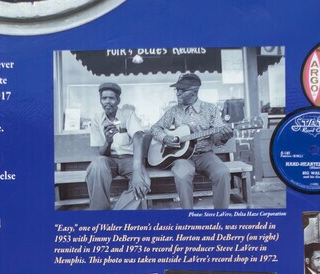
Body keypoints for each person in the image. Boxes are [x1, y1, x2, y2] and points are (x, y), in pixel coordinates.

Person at [148, 72, 235, 210]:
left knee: (222, 172)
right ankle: (188, 216)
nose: (177, 93)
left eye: (181, 90)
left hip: (205, 155)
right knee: (182, 174)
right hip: (181, 158)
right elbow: (155, 128)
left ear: (194, 91)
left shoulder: (211, 109)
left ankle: (221, 215)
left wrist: (224, 137)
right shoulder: (174, 111)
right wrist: (165, 138)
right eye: (177, 90)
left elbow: (216, 140)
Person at [83, 81, 142, 209]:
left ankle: (117, 214)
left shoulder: (128, 114)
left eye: (111, 98)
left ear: (118, 100)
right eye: (104, 98)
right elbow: (102, 153)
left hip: (129, 159)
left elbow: (138, 138)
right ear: (100, 100)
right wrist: (108, 142)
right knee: (97, 166)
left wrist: (137, 171)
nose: (107, 101)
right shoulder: (97, 119)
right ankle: (100, 212)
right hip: (110, 160)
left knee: (142, 182)